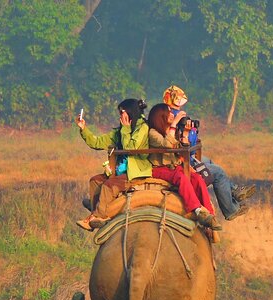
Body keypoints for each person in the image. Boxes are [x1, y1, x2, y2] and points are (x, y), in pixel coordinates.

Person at [162, 85, 255, 220]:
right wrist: (186, 131)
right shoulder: (173, 119)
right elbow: (180, 143)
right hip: (180, 160)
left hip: (183, 156)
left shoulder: (164, 115)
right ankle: (231, 210)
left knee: (208, 161)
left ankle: (234, 190)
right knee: (219, 172)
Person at [75, 98, 151, 230]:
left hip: (135, 171)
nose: (120, 116)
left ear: (130, 113)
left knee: (109, 186)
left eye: (122, 112)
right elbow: (97, 142)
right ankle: (96, 209)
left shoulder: (142, 128)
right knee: (95, 181)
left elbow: (131, 148)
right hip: (120, 169)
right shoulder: (119, 131)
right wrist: (83, 129)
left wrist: (126, 129)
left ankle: (97, 216)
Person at [147, 103, 222, 231]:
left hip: (174, 167)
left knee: (197, 179)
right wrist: (174, 124)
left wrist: (185, 135)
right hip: (159, 168)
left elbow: (181, 150)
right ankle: (197, 210)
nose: (172, 115)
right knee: (181, 178)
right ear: (161, 116)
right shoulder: (153, 133)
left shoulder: (169, 131)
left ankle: (209, 215)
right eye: (169, 112)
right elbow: (167, 144)